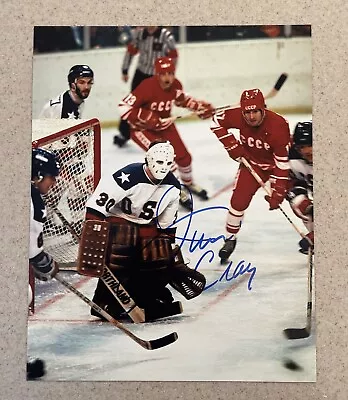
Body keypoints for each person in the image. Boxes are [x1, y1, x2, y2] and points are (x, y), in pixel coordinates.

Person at [83, 140, 205, 322]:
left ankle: (149, 298)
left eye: (167, 163)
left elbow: (166, 228)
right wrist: (93, 239)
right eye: (159, 162)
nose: (163, 167)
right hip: (115, 224)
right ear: (148, 160)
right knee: (124, 243)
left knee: (159, 254)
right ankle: (105, 301)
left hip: (142, 226)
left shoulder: (172, 187)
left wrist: (170, 255)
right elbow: (95, 209)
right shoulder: (128, 176)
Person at [118, 56, 215, 210]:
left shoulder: (176, 85)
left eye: (170, 73)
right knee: (166, 162)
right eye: (163, 74)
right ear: (157, 74)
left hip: (164, 125)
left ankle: (188, 184)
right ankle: (178, 189)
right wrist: (147, 117)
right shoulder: (146, 87)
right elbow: (123, 107)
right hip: (142, 129)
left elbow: (183, 100)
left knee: (184, 158)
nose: (167, 77)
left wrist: (199, 107)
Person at [210, 88, 291, 262]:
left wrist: (279, 189)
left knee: (295, 199)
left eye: (255, 111)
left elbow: (282, 163)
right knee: (238, 201)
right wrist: (231, 144)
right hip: (251, 165)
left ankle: (313, 233)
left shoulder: (278, 125)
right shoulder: (237, 116)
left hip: (274, 167)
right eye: (247, 112)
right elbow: (215, 120)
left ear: (263, 109)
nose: (251, 116)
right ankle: (230, 239)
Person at [38, 64, 95, 233]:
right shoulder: (57, 107)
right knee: (58, 190)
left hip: (64, 155)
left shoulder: (78, 102)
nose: (86, 87)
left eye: (89, 82)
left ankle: (77, 223)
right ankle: (43, 223)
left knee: (79, 186)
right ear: (72, 84)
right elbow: (45, 140)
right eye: (82, 82)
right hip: (47, 157)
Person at [113, 26, 178, 147]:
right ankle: (124, 133)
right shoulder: (139, 34)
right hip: (141, 73)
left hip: (157, 77)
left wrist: (170, 76)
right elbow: (131, 51)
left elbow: (174, 56)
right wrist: (125, 69)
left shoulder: (166, 36)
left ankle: (156, 135)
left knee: (155, 106)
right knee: (131, 104)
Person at [28, 148, 61, 379]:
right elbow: (32, 253)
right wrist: (46, 264)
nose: (54, 182)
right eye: (51, 176)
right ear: (38, 175)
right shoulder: (32, 201)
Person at [286, 121, 313, 254]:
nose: (307, 151)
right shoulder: (293, 157)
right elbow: (292, 183)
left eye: (310, 145)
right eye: (302, 146)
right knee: (300, 204)